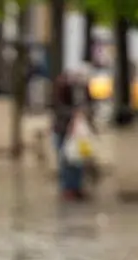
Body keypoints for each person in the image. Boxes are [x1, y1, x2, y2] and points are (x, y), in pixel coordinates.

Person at [52, 72, 88, 200]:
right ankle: (68, 188)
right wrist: (73, 115)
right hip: (63, 132)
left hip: (74, 134)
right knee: (66, 162)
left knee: (77, 161)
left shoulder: (77, 94)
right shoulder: (60, 96)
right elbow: (59, 111)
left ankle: (75, 187)